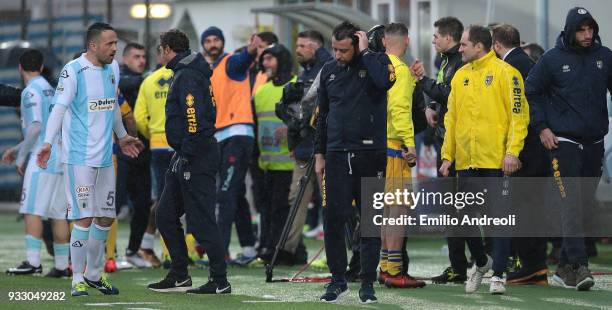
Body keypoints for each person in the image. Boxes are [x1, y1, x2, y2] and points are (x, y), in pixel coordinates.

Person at [37, 22, 143, 297]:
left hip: (106, 158)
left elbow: (113, 108)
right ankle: (77, 279)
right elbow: (58, 110)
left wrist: (121, 136)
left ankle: (95, 275)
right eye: (110, 44)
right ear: (93, 45)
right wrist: (48, 143)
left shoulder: (114, 69)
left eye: (116, 43)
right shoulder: (72, 71)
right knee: (83, 218)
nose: (115, 48)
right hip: (79, 159)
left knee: (106, 217)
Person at [525, 7, 612, 291]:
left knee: (584, 205)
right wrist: (542, 128)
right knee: (571, 202)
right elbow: (531, 91)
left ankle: (563, 269)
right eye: (582, 30)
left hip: (595, 142)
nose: (587, 35)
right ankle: (579, 266)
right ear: (570, 30)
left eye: (591, 30)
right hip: (563, 143)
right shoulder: (551, 59)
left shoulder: (605, 57)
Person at [440, 25, 529, 295]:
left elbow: (519, 116)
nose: (460, 48)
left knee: (498, 220)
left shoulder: (507, 73)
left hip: (496, 161)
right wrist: (447, 156)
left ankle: (498, 274)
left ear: (479, 46)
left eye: (464, 44)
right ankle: (481, 262)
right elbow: (451, 119)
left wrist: (512, 152)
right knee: (464, 220)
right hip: (466, 161)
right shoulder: (459, 76)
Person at [315, 21, 395, 303]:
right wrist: (319, 154)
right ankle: (337, 280)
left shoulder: (378, 62)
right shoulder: (328, 71)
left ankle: (367, 283)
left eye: (344, 50)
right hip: (336, 156)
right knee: (333, 220)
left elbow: (385, 82)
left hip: (370, 156)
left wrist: (366, 53)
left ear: (358, 43)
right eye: (334, 49)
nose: (337, 55)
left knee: (371, 222)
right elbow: (322, 116)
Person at [147, 29, 230, 294]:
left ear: (167, 48)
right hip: (186, 153)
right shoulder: (187, 72)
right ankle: (180, 274)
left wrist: (187, 152)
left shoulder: (187, 75)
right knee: (165, 214)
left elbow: (193, 118)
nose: (159, 54)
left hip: (195, 155)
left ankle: (219, 280)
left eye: (160, 49)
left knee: (202, 219)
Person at [410, 16, 469, 285]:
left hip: (458, 147)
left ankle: (479, 262)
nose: (432, 39)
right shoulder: (448, 61)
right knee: (456, 208)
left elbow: (450, 93)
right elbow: (444, 95)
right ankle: (461, 265)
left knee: (463, 208)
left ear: (448, 38)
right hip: (448, 142)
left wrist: (423, 80)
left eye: (436, 35)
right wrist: (433, 105)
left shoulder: (459, 62)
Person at [4, 49, 71, 278]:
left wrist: (21, 155)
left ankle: (33, 262)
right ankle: (62, 266)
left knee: (31, 209)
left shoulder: (30, 91)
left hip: (42, 157)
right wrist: (17, 150)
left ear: (20, 68)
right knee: (58, 213)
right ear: (41, 67)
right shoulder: (51, 89)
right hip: (61, 156)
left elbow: (35, 127)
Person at [492, 24, 548, 286]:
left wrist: (514, 151)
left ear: (496, 45)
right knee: (532, 207)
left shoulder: (511, 67)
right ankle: (535, 264)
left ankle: (532, 266)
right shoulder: (527, 63)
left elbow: (519, 112)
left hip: (526, 151)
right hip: (536, 149)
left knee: (522, 208)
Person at [201, 26, 261, 261]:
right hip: (221, 137)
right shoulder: (209, 70)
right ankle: (248, 247)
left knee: (225, 194)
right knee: (234, 192)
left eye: (217, 39)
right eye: (209, 40)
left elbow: (242, 59)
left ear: (222, 42)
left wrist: (250, 51)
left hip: (236, 135)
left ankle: (220, 252)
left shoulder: (230, 63)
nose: (213, 43)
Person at [276, 30, 332, 265]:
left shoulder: (328, 67)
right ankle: (288, 250)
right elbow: (301, 113)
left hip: (325, 149)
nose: (297, 50)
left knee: (331, 202)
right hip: (304, 147)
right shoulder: (306, 71)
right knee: (296, 198)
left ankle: (339, 253)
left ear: (314, 47)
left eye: (301, 45)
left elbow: (319, 109)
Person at [377, 23, 425, 289]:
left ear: (384, 41)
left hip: (378, 146)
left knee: (387, 211)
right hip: (396, 147)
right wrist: (410, 144)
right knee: (398, 211)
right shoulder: (400, 69)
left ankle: (385, 266)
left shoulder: (377, 66)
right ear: (406, 40)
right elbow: (400, 108)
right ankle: (394, 270)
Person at [107, 42, 153, 269]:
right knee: (113, 204)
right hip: (120, 151)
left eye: (144, 56)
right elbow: (126, 83)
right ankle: (109, 254)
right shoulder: (120, 79)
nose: (141, 60)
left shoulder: (146, 80)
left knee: (143, 203)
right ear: (125, 60)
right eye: (136, 56)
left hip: (142, 150)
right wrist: (150, 78)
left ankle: (133, 250)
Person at [253, 44, 296, 263]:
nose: (266, 63)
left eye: (270, 58)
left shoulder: (297, 86)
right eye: (264, 59)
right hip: (266, 163)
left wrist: (292, 128)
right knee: (267, 209)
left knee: (282, 209)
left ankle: (283, 250)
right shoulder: (261, 92)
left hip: (290, 163)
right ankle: (270, 247)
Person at [133, 44, 175, 268]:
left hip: (158, 146)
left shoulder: (149, 81)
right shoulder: (184, 77)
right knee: (184, 198)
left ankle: (149, 245)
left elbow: (139, 117)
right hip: (181, 147)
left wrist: (153, 134)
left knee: (161, 198)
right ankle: (174, 251)